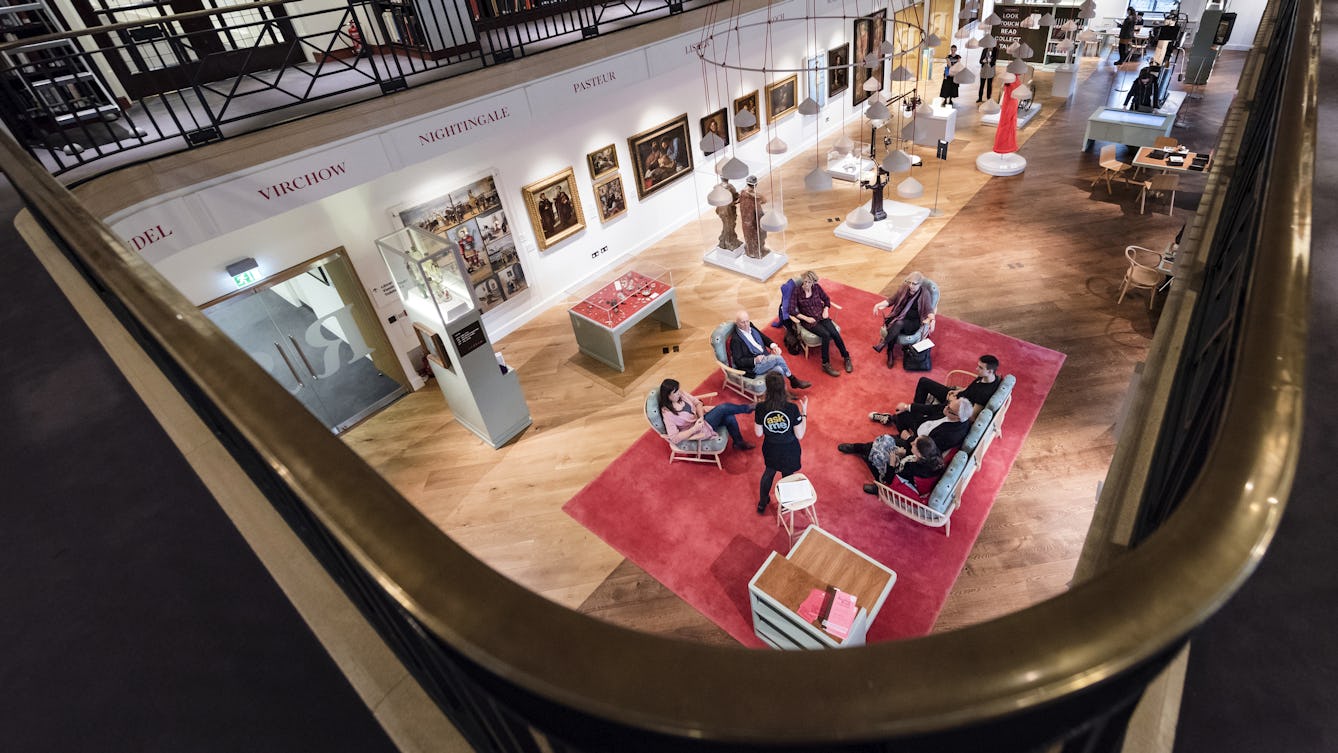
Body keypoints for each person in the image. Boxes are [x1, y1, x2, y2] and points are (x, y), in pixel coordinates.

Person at [870, 355, 1001, 424]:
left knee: (913, 408)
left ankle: (907, 414)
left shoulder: (985, 393)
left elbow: (971, 416)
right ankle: (916, 413)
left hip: (955, 408)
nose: (976, 369)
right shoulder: (984, 377)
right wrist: (957, 391)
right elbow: (972, 388)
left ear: (990, 371)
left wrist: (952, 402)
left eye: (980, 368)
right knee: (924, 381)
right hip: (956, 396)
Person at [844, 397, 974, 457]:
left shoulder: (952, 435)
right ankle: (891, 419)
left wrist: (909, 438)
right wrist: (907, 406)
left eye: (949, 407)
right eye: (948, 404)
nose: (945, 407)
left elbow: (928, 450)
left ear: (957, 417)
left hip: (918, 442)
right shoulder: (951, 410)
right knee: (902, 413)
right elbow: (931, 408)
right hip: (922, 426)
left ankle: (858, 448)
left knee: (885, 440)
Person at [754, 372, 808, 514]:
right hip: (789, 449)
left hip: (771, 447)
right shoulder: (792, 409)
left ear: (767, 388)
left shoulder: (760, 408)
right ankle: (786, 503)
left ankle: (762, 502)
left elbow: (758, 433)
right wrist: (804, 414)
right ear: (783, 387)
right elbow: (800, 434)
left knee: (769, 472)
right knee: (787, 475)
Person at [657, 379, 754, 451]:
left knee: (729, 417)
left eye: (678, 390)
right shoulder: (667, 414)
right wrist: (694, 428)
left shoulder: (681, 395)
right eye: (675, 392)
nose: (679, 393)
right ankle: (748, 408)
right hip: (696, 430)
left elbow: (697, 403)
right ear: (668, 396)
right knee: (723, 408)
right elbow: (674, 438)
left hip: (702, 418)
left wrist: (701, 417)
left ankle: (738, 442)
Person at [788, 270, 852, 377]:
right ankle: (825, 364)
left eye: (809, 282)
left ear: (813, 282)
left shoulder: (817, 288)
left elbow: (826, 299)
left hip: (821, 316)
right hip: (810, 321)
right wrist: (806, 318)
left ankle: (846, 357)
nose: (806, 285)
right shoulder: (797, 291)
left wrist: (826, 310)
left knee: (835, 333)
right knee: (826, 335)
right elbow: (791, 310)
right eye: (804, 282)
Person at [728, 310, 811, 389]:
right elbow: (738, 361)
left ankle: (784, 393)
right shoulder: (736, 340)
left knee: (779, 369)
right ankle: (793, 380)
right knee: (777, 358)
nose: (746, 324)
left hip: (764, 356)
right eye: (743, 322)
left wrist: (774, 346)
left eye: (747, 321)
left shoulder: (750, 326)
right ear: (737, 323)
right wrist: (754, 360)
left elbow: (762, 337)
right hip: (754, 367)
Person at [840, 435, 945, 495]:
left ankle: (859, 450)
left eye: (914, 444)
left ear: (918, 453)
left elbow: (891, 479)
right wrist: (904, 454)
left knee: (877, 455)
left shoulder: (913, 468)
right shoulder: (933, 454)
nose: (912, 442)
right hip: (905, 465)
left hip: (900, 481)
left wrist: (892, 463)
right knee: (886, 440)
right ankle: (863, 451)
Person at [871, 272, 935, 366]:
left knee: (898, 324)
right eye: (909, 282)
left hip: (913, 322)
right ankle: (889, 351)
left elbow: (929, 310)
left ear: (920, 284)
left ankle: (885, 346)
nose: (911, 286)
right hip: (899, 316)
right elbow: (891, 300)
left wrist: (933, 320)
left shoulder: (924, 293)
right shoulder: (904, 288)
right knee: (897, 324)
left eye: (914, 284)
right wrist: (878, 305)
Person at [739, 175, 770, 258]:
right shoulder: (755, 195)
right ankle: (755, 252)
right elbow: (764, 200)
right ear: (755, 185)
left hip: (751, 218)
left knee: (755, 234)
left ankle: (757, 250)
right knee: (755, 235)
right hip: (751, 218)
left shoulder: (744, 193)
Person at [714, 180, 741, 250]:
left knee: (727, 225)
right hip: (728, 210)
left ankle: (724, 240)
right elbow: (735, 196)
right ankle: (728, 242)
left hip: (721, 210)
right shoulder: (730, 187)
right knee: (730, 225)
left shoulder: (717, 187)